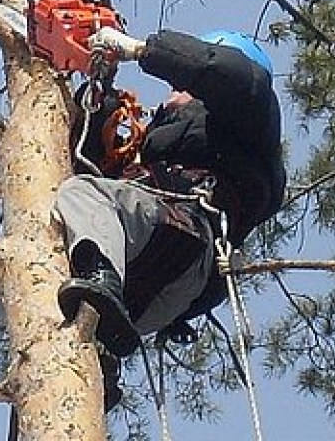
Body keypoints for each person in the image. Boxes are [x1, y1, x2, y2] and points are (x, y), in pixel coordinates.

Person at [52, 28, 286, 408]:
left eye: (182, 81)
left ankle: (102, 284)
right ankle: (98, 359)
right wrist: (100, 97)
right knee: (58, 309)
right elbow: (87, 159)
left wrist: (145, 51)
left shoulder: (245, 115)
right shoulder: (154, 152)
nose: (172, 90)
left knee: (83, 193)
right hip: (160, 298)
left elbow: (230, 75)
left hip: (181, 229)